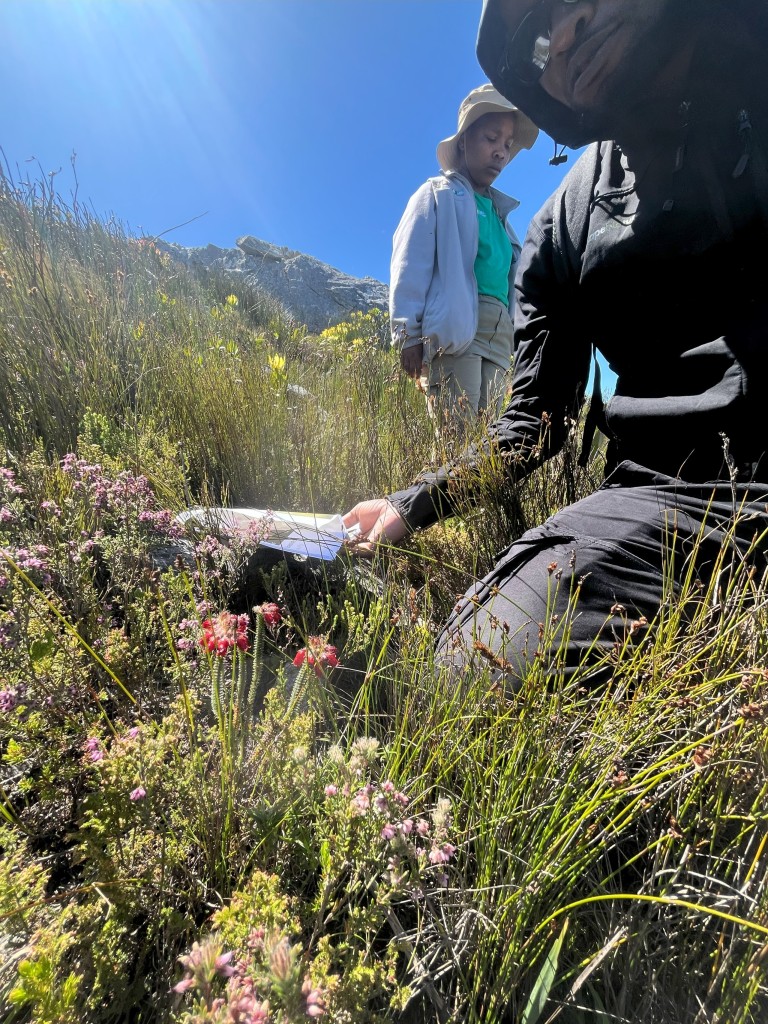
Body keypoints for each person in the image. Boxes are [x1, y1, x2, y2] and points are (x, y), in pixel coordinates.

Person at [344, 0, 768, 686]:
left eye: (577, 1)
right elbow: (533, 423)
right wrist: (411, 504)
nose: (566, 34)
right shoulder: (562, 224)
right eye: (537, 46)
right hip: (668, 497)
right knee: (470, 671)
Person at [391, 85, 538, 432]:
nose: (501, 152)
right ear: (463, 141)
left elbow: (510, 285)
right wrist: (408, 334)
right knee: (457, 440)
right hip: (459, 330)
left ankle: (473, 490)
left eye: (507, 144)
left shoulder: (503, 219)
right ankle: (442, 489)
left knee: (488, 443)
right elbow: (410, 260)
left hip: (499, 339)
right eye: (491, 138)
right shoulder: (438, 195)